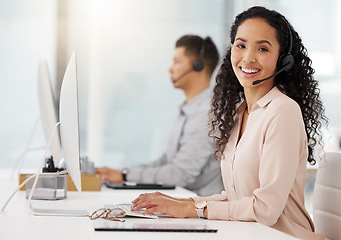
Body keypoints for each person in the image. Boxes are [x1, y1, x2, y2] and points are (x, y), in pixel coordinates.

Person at [130, 6, 328, 240]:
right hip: (250, 233)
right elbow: (237, 199)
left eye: (263, 48)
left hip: (283, 236)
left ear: (283, 59)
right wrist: (181, 203)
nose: (248, 57)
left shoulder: (282, 111)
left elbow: (265, 209)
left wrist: (192, 210)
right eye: (241, 45)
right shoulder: (239, 112)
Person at [96, 35, 224, 196]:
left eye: (177, 62)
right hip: (182, 200)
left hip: (199, 207)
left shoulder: (205, 114)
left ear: (198, 66)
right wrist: (124, 173)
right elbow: (166, 161)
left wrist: (125, 175)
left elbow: (180, 174)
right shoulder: (189, 109)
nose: (170, 69)